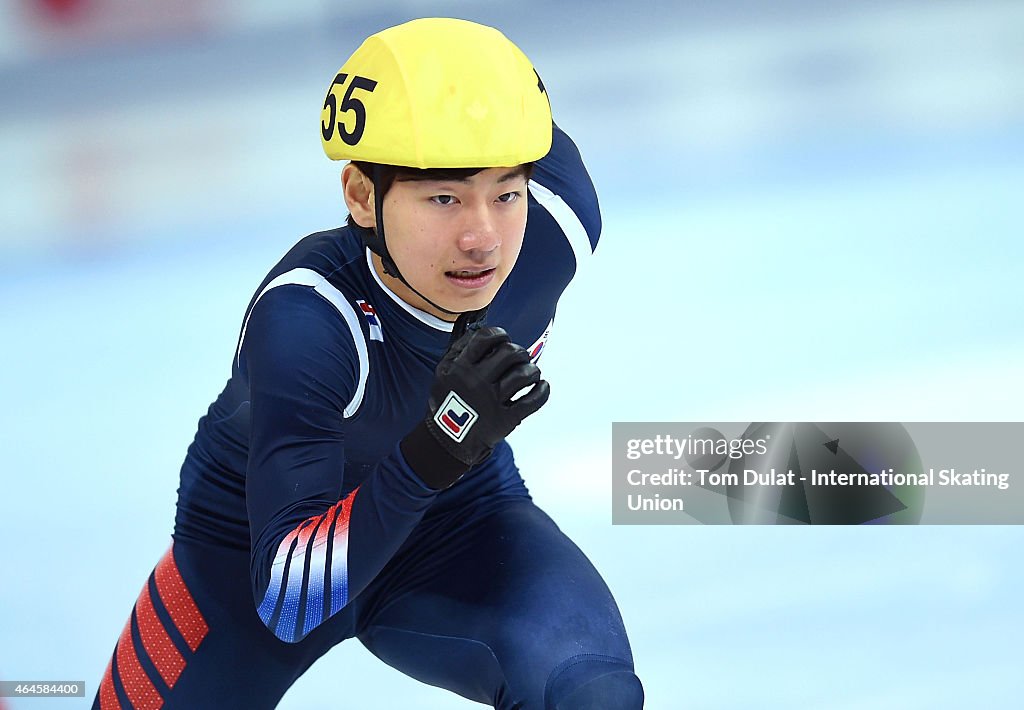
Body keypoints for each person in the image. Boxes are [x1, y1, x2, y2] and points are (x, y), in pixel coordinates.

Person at [93, 17, 642, 709]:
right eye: (444, 196)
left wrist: (443, 456)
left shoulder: (558, 222)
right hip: (250, 557)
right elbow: (289, 601)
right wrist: (439, 445)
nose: (482, 238)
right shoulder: (307, 320)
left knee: (590, 692)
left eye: (505, 193)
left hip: (454, 522)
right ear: (359, 196)